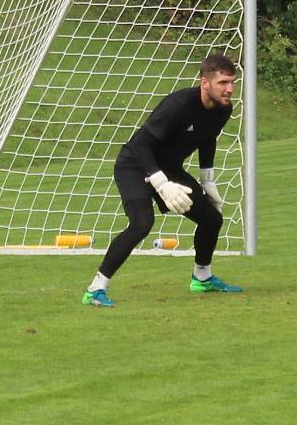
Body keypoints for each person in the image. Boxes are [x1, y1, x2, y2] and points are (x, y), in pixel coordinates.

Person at [82, 53, 243, 307]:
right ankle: (95, 289)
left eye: (232, 82)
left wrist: (207, 181)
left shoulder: (223, 109)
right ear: (205, 83)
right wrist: (161, 184)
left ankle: (202, 278)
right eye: (223, 83)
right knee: (142, 223)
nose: (230, 89)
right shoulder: (178, 105)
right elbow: (142, 145)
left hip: (168, 168)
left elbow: (207, 138)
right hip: (134, 165)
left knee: (212, 219)